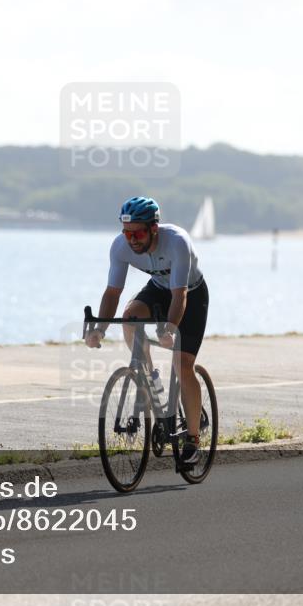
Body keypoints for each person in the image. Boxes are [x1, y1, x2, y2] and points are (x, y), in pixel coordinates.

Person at [85, 196, 210, 464]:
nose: (132, 239)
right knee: (130, 317)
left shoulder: (177, 241)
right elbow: (112, 293)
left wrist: (169, 329)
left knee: (182, 364)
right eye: (126, 233)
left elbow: (180, 296)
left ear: (154, 228)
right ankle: (148, 375)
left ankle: (192, 439)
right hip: (158, 289)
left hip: (189, 294)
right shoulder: (120, 247)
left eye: (138, 233)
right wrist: (100, 329)